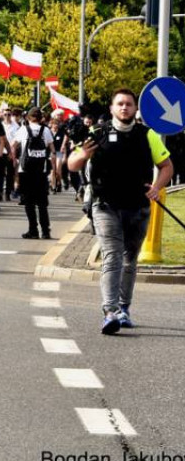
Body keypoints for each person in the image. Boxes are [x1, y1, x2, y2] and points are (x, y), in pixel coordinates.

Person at [68, 88, 173, 335]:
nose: (124, 107)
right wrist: (84, 154)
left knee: (129, 259)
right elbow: (72, 164)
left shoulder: (147, 135)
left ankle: (124, 308)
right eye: (120, 104)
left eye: (129, 104)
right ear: (112, 108)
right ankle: (110, 312)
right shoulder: (97, 133)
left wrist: (156, 188)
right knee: (112, 256)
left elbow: (167, 166)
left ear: (136, 108)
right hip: (105, 206)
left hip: (138, 207)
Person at [12, 107, 56, 240]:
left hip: (25, 171)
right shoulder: (46, 130)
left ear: (28, 117)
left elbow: (13, 146)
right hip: (41, 171)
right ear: (40, 118)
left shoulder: (23, 130)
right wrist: (54, 171)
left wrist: (15, 163)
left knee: (29, 203)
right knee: (42, 203)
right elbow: (53, 151)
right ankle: (46, 231)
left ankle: (33, 230)